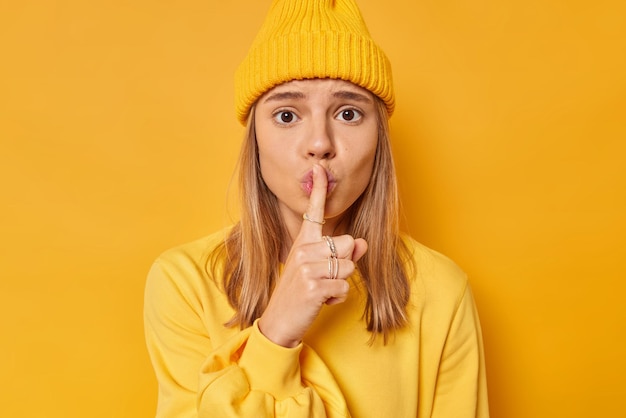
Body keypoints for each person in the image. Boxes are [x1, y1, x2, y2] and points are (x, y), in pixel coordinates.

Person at [143, 0, 489, 416]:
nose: (320, 143)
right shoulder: (184, 283)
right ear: (255, 138)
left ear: (379, 136)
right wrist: (274, 336)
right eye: (287, 115)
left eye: (348, 113)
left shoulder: (441, 291)